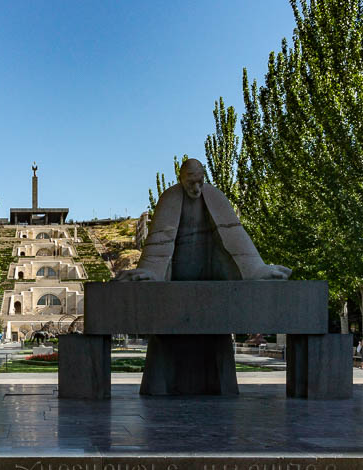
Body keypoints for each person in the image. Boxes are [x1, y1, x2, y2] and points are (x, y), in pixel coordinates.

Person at [114, 158, 291, 395]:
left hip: (211, 276)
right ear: (181, 180)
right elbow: (159, 241)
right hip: (176, 283)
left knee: (215, 336)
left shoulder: (215, 196)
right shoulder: (170, 198)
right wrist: (150, 271)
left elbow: (235, 234)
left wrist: (257, 269)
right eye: (191, 183)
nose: (196, 189)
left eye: (200, 182)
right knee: (167, 339)